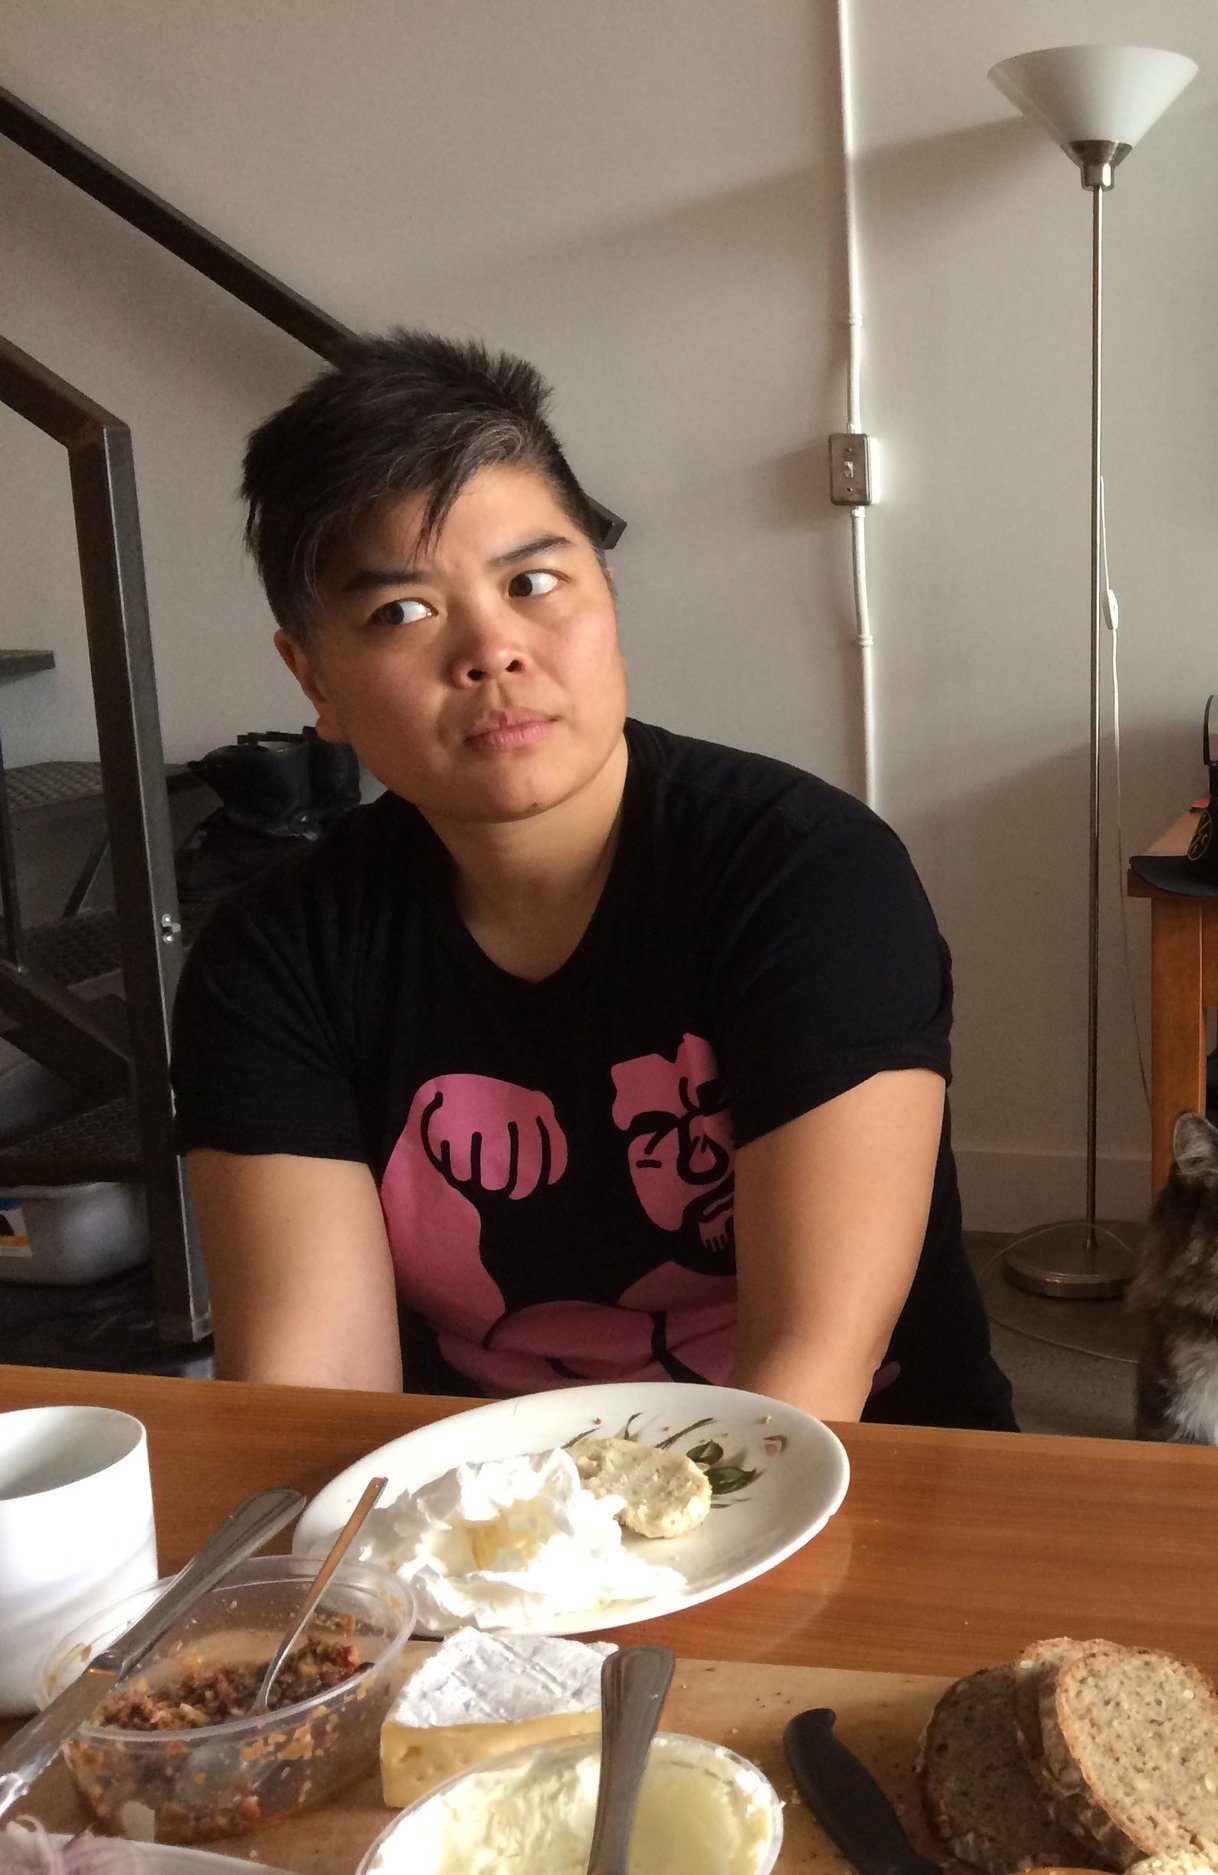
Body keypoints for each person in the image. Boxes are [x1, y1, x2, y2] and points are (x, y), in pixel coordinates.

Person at [172, 332, 1015, 1431]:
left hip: (866, 1488)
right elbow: (310, 1402)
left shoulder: (805, 875)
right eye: (401, 612)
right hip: (486, 1531)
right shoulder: (275, 963)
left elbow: (815, 1366)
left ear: (606, 597)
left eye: (533, 581)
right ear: (313, 680)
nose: (491, 649)